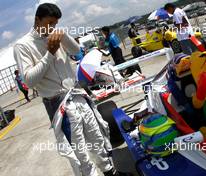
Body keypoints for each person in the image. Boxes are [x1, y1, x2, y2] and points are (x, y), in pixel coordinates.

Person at [13, 3, 132, 176]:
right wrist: (50, 53)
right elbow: (30, 80)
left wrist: (62, 35)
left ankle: (110, 172)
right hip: (58, 103)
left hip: (77, 95)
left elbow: (76, 51)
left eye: (55, 23)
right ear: (37, 20)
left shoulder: (55, 35)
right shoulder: (23, 45)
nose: (52, 27)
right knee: (79, 151)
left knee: (97, 137)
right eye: (49, 23)